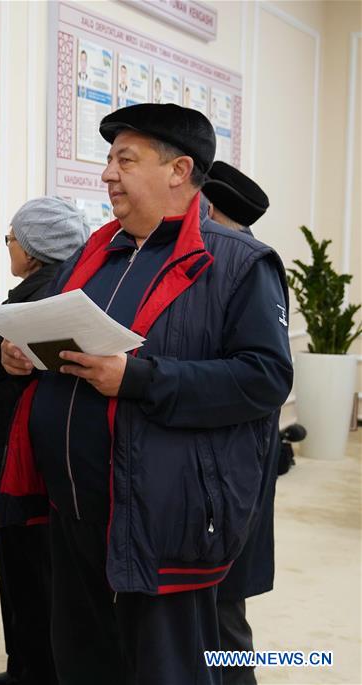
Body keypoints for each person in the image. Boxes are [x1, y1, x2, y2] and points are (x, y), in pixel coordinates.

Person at [0, 103, 293, 684]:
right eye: (109, 159)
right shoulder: (93, 256)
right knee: (83, 663)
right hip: (75, 513)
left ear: (179, 170)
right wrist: (23, 356)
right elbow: (60, 341)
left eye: (124, 159)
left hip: (161, 518)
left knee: (168, 669)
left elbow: (265, 378)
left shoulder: (238, 263)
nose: (107, 173)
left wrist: (137, 378)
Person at [0, 197, 90, 685]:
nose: (9, 247)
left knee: (26, 574)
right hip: (65, 466)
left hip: (26, 465)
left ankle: (29, 670)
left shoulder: (28, 306)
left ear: (33, 248)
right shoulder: (82, 294)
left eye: (11, 238)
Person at [203, 161, 274, 685]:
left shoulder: (245, 267)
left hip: (228, 468)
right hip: (216, 469)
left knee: (224, 614)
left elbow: (261, 377)